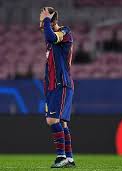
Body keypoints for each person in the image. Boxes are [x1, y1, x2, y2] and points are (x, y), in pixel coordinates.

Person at [39, 7, 75, 168]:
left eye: (44, 22)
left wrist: (47, 18)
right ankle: (69, 158)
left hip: (62, 83)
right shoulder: (50, 42)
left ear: (52, 20)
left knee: (52, 120)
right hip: (53, 86)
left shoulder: (65, 32)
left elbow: (51, 36)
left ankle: (61, 157)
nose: (42, 26)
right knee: (62, 123)